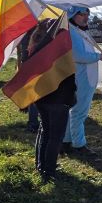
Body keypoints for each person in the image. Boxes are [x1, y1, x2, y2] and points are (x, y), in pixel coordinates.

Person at [28, 18, 77, 183]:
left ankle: (42, 166)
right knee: (55, 136)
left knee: (45, 132)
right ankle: (48, 171)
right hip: (59, 98)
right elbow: (67, 74)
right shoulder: (60, 44)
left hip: (42, 97)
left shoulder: (37, 44)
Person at [62, 5, 102, 156]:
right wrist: (99, 57)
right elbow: (77, 55)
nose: (86, 17)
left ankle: (66, 141)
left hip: (87, 78)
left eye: (87, 14)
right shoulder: (72, 32)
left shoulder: (80, 31)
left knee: (75, 111)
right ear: (72, 15)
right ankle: (79, 145)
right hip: (81, 78)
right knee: (79, 112)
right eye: (81, 14)